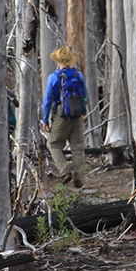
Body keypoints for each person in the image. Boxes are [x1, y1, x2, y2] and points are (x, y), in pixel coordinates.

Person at [41, 45, 89, 188]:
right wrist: (83, 111)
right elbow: (85, 96)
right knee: (78, 147)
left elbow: (47, 101)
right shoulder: (78, 75)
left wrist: (45, 119)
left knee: (53, 145)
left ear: (58, 60)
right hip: (77, 117)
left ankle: (64, 171)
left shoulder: (54, 77)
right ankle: (79, 178)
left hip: (61, 117)